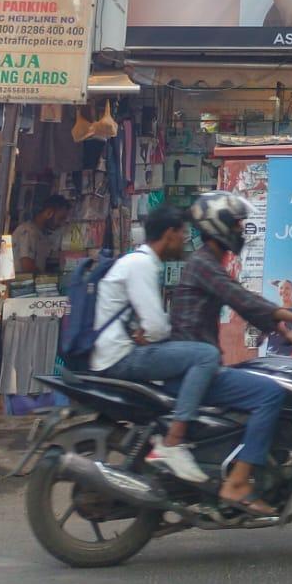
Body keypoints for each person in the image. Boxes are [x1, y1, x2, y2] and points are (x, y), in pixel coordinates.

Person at [172, 193, 292, 515]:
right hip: (195, 369)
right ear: (218, 227)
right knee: (269, 394)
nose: (240, 230)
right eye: (236, 224)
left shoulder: (205, 264)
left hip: (196, 364)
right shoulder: (203, 265)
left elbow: (245, 306)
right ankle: (236, 482)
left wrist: (285, 332)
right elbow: (243, 299)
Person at [90, 206, 217, 484]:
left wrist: (149, 335)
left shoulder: (136, 262)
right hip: (119, 358)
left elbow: (145, 325)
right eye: (183, 233)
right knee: (206, 356)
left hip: (115, 352)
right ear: (169, 234)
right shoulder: (141, 264)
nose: (185, 239)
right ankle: (173, 442)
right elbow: (157, 327)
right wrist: (158, 335)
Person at [12, 199, 68, 276]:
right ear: (49, 213)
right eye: (60, 218)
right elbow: (27, 265)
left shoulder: (42, 234)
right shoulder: (27, 231)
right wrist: (45, 280)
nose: (61, 224)